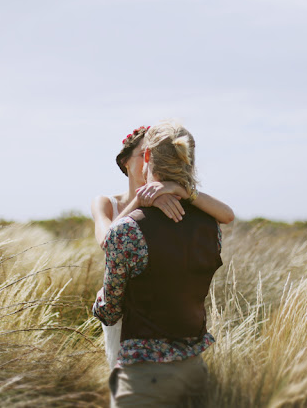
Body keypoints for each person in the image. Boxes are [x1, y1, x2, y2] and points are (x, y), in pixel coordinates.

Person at [93, 122, 225, 407]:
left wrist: (101, 302)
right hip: (192, 362)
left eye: (145, 155)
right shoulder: (209, 224)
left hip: (143, 367)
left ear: (149, 159)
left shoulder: (128, 229)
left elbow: (111, 309)